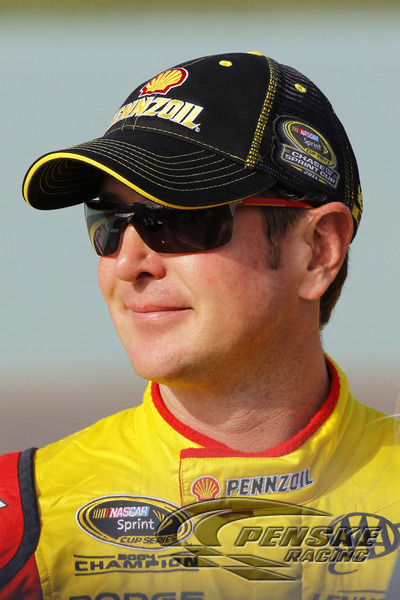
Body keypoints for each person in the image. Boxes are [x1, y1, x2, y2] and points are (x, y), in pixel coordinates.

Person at [0, 52, 398, 600]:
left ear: (317, 250)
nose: (128, 263)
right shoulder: (20, 519)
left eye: (179, 218)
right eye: (108, 222)